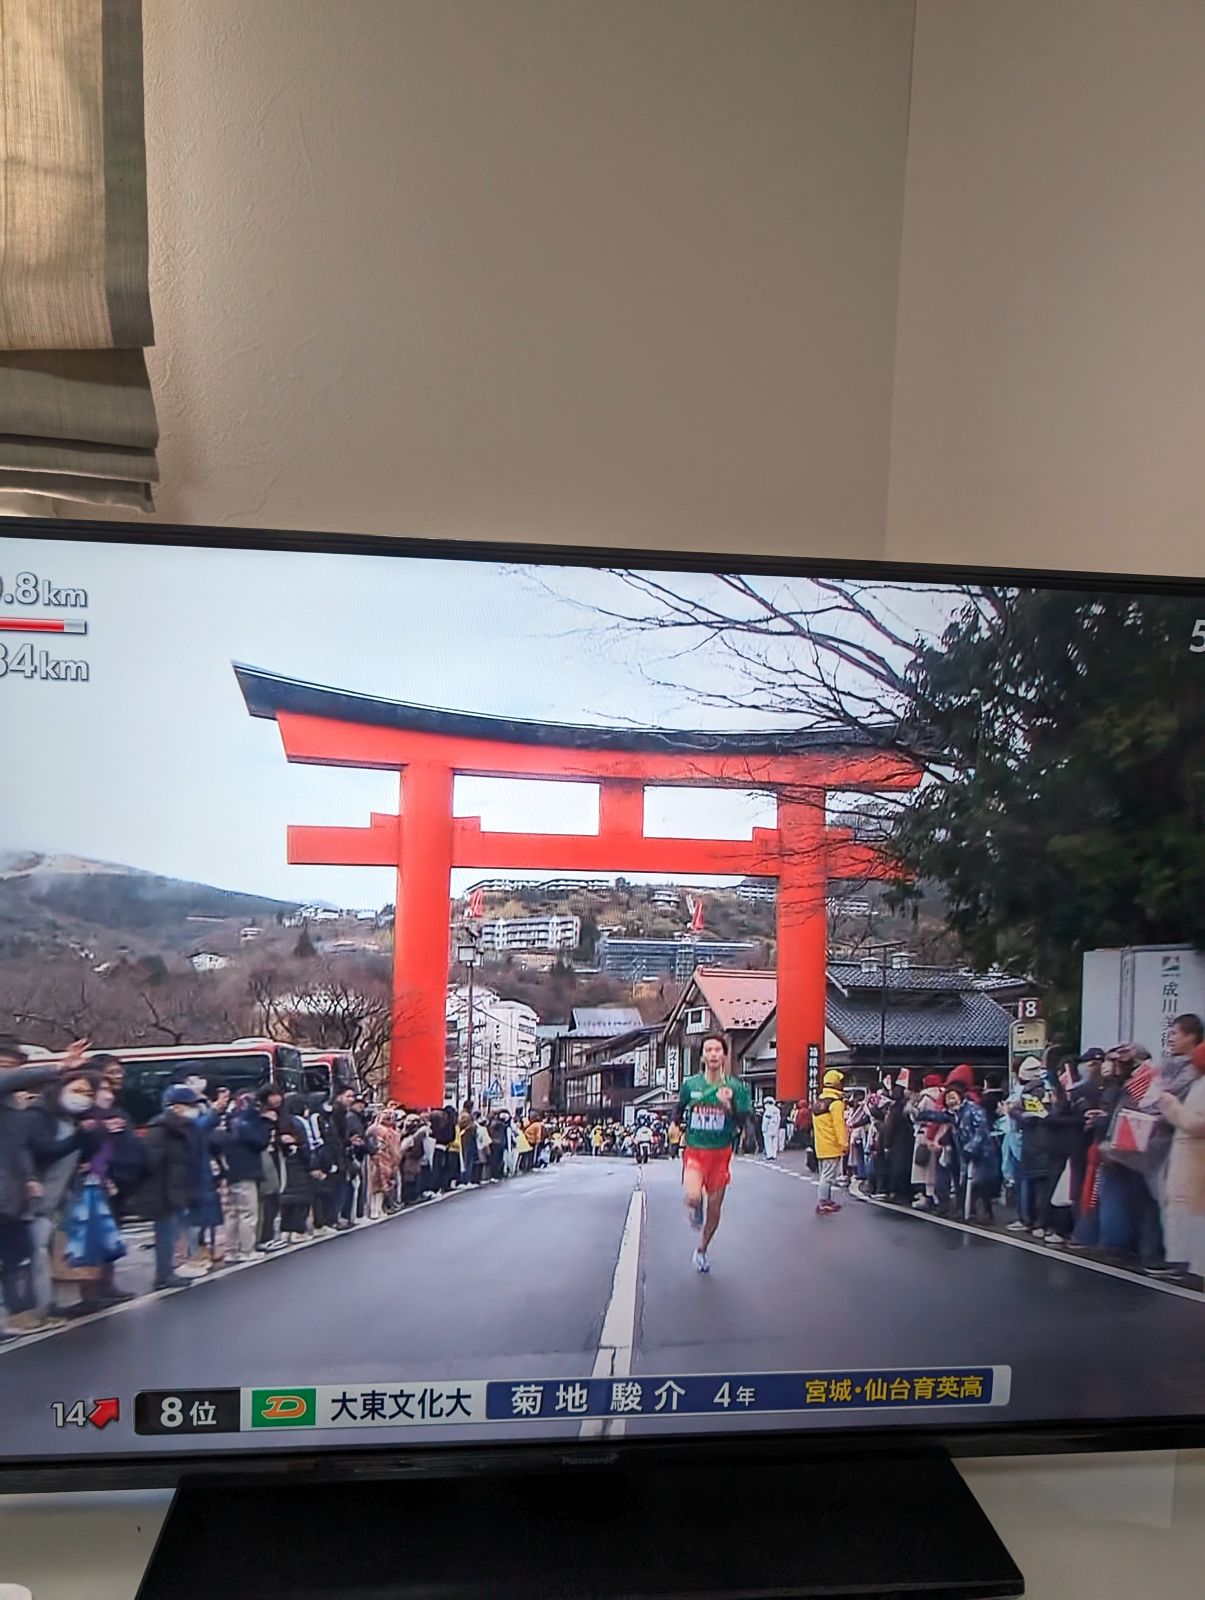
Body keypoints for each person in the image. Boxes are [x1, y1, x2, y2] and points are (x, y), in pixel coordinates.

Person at [676, 1032, 751, 1272]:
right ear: (702, 1057)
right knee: (694, 1196)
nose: (713, 1055)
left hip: (720, 1155)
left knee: (715, 1211)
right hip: (695, 1152)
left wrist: (728, 1106)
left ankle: (702, 1250)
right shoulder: (691, 1085)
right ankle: (695, 1207)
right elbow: (678, 1112)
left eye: (718, 1050)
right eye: (708, 1050)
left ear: (725, 1056)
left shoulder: (735, 1087)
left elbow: (744, 1121)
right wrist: (673, 1126)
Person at [0, 1045, 60, 1335]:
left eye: (14, 1065)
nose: (10, 1071)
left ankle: (22, 1313)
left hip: (11, 1193)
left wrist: (29, 1177)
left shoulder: (15, 1110)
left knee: (17, 1254)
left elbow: (18, 1149)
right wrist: (57, 1068)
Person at [139, 1086, 204, 1290]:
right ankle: (164, 1274)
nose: (194, 1110)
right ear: (175, 1107)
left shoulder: (183, 1129)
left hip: (176, 1187)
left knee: (173, 1232)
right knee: (165, 1233)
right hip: (163, 1189)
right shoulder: (161, 1129)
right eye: (190, 1105)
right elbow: (151, 1160)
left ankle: (169, 1271)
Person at [1157, 1041, 1205, 1281]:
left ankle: (1191, 1265)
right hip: (1190, 1159)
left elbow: (1197, 1124)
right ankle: (1185, 1263)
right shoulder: (1199, 1085)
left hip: (1197, 1162)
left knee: (1193, 1214)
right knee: (1185, 1211)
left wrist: (1173, 1108)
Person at [214, 1090, 275, 1262]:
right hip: (246, 1169)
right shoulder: (249, 1122)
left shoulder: (229, 1119)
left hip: (230, 1169)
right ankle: (246, 1250)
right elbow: (260, 1142)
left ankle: (232, 1250)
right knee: (248, 1212)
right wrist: (266, 1123)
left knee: (232, 1212)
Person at [278, 1093, 319, 1241]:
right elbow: (306, 1146)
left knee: (287, 1199)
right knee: (301, 1198)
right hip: (300, 1164)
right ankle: (297, 1231)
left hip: (285, 1164)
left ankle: (285, 1230)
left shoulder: (282, 1121)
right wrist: (312, 1164)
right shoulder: (299, 1123)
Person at [811, 1069, 849, 1215]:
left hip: (820, 1144)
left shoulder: (819, 1101)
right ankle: (823, 1202)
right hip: (832, 1145)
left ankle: (826, 1200)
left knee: (824, 1174)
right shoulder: (836, 1103)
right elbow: (839, 1126)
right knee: (827, 1176)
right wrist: (844, 1144)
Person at [910, 1074, 945, 1210]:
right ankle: (937, 1196)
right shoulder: (942, 1095)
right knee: (936, 1168)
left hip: (925, 1133)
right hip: (940, 1133)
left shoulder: (925, 1098)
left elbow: (917, 1116)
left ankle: (927, 1196)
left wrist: (912, 1109)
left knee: (923, 1166)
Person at [367, 1108, 401, 1217]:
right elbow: (394, 1149)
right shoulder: (390, 1132)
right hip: (386, 1159)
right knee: (382, 1185)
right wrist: (396, 1161)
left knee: (374, 1185)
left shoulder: (371, 1128)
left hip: (372, 1158)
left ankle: (373, 1210)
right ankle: (378, 1209)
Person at [760, 1097, 782, 1162]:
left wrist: (763, 1128)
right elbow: (779, 1119)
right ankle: (774, 1154)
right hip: (775, 1128)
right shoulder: (777, 1110)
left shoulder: (768, 1111)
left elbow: (766, 1121)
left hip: (768, 1129)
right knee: (775, 1142)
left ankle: (769, 1155)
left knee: (768, 1142)